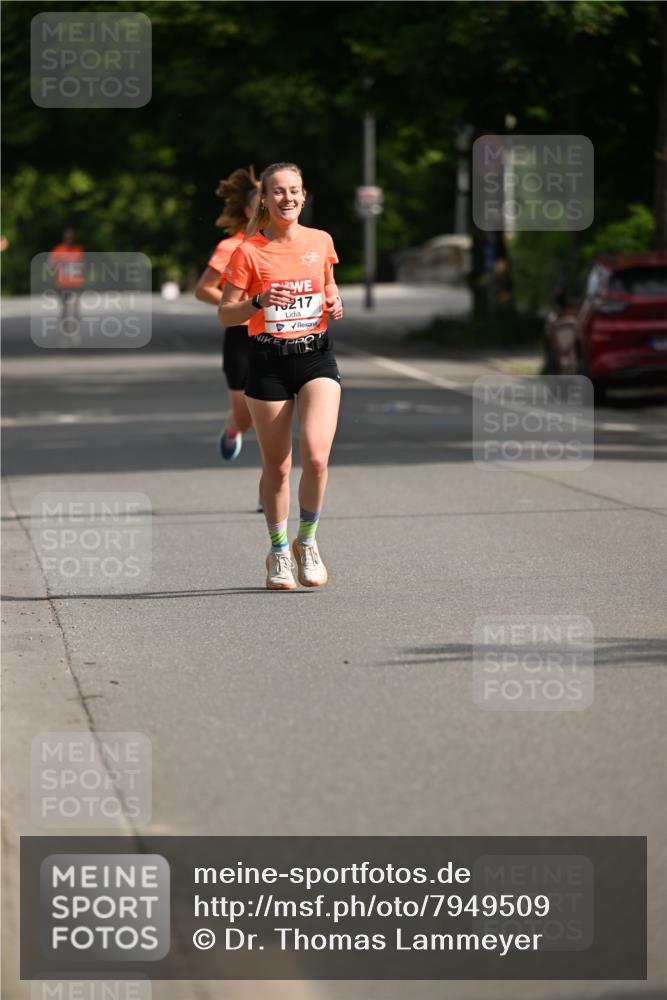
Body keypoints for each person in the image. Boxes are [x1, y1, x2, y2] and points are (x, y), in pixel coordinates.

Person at [219, 162, 343, 591]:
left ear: (304, 195)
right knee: (279, 466)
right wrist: (257, 300)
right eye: (278, 192)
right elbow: (224, 313)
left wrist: (334, 300)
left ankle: (305, 543)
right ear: (266, 200)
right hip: (268, 361)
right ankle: (276, 552)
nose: (287, 198)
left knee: (316, 457)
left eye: (294, 191)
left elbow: (328, 285)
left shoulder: (320, 240)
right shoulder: (249, 251)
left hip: (316, 359)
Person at [194, 167, 260, 466]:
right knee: (246, 417)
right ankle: (234, 428)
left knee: (273, 416)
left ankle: (271, 490)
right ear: (248, 210)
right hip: (240, 334)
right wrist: (238, 304)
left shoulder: (286, 244)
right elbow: (203, 289)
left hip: (277, 334)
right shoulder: (231, 246)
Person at [48, 227, 84, 339]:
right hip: (62, 284)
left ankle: (76, 332)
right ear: (64, 237)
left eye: (71, 237)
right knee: (64, 309)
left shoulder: (79, 249)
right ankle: (64, 331)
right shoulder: (57, 250)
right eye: (68, 237)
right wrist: (58, 263)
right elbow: (50, 266)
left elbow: (85, 265)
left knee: (75, 309)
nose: (70, 239)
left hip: (76, 284)